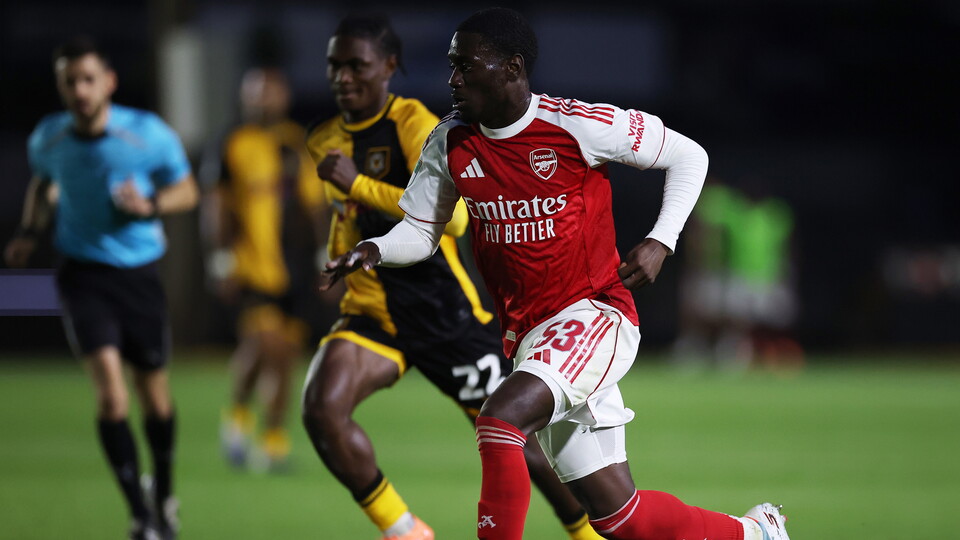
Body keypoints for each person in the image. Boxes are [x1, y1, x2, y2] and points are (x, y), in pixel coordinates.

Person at [321, 8, 791, 540]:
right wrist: (375, 249)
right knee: (620, 518)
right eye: (452, 67)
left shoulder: (576, 125)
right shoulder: (450, 143)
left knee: (499, 420)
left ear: (512, 67)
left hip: (595, 314)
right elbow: (422, 230)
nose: (452, 79)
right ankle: (754, 534)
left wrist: (662, 240)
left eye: (465, 66)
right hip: (531, 337)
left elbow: (689, 156)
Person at [300, 14, 603, 540]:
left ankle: (585, 533)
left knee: (521, 445)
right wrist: (338, 254)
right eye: (334, 66)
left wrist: (358, 184)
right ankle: (405, 530)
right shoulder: (323, 137)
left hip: (445, 313)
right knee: (322, 410)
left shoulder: (415, 125)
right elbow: (346, 219)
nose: (343, 77)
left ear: (389, 67)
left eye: (357, 65)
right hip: (374, 313)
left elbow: (454, 220)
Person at [3, 36, 198, 540]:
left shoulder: (147, 135)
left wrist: (150, 204)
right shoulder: (48, 138)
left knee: (154, 399)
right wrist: (29, 232)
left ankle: (164, 492)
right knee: (112, 399)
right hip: (82, 275)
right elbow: (44, 184)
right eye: (69, 82)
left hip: (138, 276)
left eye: (88, 79)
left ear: (108, 82)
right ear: (61, 86)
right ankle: (139, 514)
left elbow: (187, 189)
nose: (79, 91)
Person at [200, 65, 333, 471]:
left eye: (269, 92)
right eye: (255, 93)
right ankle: (240, 417)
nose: (262, 100)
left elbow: (316, 208)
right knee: (265, 345)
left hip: (293, 270)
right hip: (251, 266)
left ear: (284, 96)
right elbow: (216, 204)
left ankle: (272, 441)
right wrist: (220, 258)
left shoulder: (298, 144)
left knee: (283, 356)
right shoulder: (231, 143)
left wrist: (323, 256)